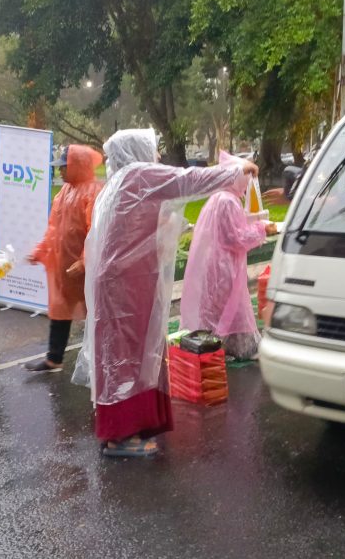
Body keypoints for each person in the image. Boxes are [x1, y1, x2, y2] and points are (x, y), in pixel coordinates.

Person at [76, 129, 259, 457]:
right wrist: (237, 169)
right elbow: (189, 180)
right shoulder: (138, 175)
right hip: (125, 285)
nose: (158, 156)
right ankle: (119, 436)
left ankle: (135, 424)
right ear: (137, 151)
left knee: (135, 355)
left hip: (127, 282)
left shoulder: (119, 182)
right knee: (125, 357)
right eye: (153, 149)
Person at [181, 151, 277, 360]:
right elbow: (235, 237)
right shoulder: (228, 201)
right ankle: (239, 347)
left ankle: (214, 345)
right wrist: (262, 228)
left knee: (216, 308)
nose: (247, 186)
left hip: (215, 263)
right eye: (246, 179)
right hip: (225, 265)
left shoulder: (218, 198)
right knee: (234, 306)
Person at [24, 145, 103, 372]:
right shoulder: (63, 193)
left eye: (63, 167)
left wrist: (86, 260)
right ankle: (53, 359)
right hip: (64, 268)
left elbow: (95, 230)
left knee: (95, 315)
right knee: (60, 311)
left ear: (77, 166)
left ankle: (100, 363)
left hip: (84, 270)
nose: (59, 172)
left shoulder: (94, 192)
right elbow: (53, 230)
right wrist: (39, 251)